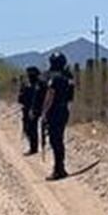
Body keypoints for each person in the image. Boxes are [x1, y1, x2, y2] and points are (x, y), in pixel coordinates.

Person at [40, 52, 75, 180]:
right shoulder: (69, 78)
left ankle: (59, 169)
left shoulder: (54, 79)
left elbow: (50, 96)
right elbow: (71, 98)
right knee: (59, 139)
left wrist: (44, 112)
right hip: (64, 110)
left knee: (55, 141)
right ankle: (60, 167)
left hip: (54, 111)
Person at [17, 66, 46, 156]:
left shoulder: (40, 84)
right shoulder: (29, 85)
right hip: (30, 109)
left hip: (36, 109)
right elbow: (20, 99)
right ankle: (33, 146)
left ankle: (34, 147)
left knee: (31, 128)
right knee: (29, 129)